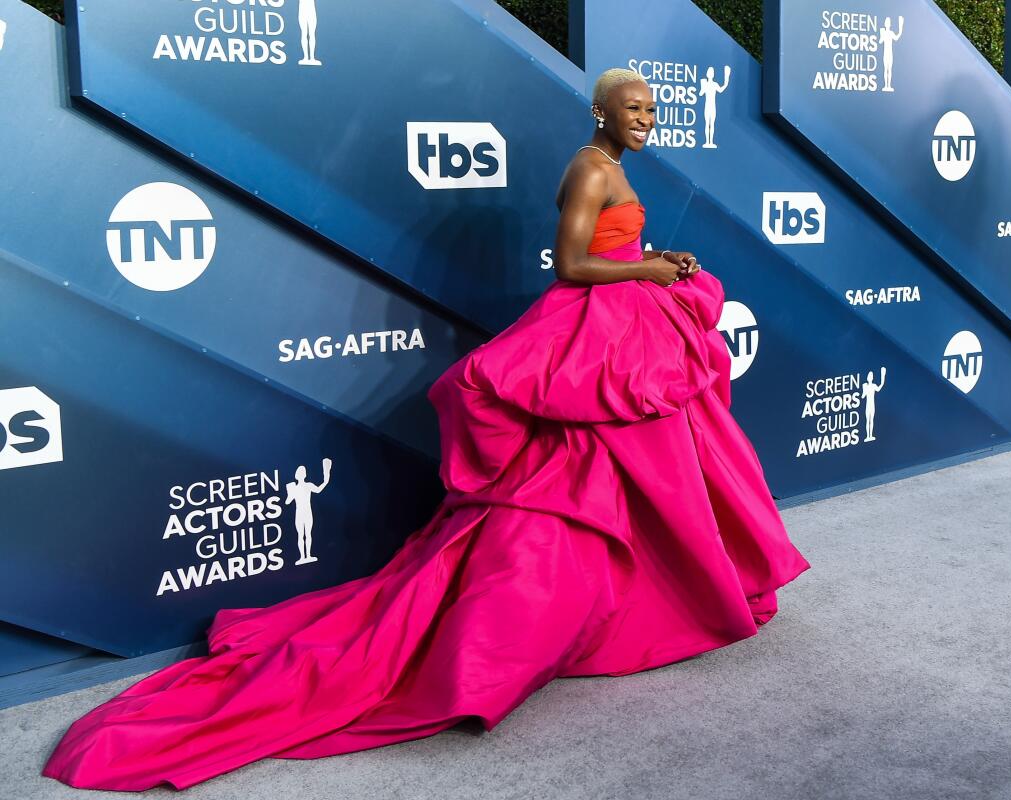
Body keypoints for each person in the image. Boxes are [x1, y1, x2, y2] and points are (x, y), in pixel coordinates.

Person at [42, 68, 809, 791]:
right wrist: (646, 273)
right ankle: (528, 628)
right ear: (601, 112)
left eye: (652, 110)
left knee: (657, 468)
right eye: (636, 109)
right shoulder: (589, 168)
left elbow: (615, 247)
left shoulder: (612, 165)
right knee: (577, 479)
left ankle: (653, 596)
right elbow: (572, 264)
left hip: (626, 328)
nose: (649, 119)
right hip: (595, 332)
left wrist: (656, 258)